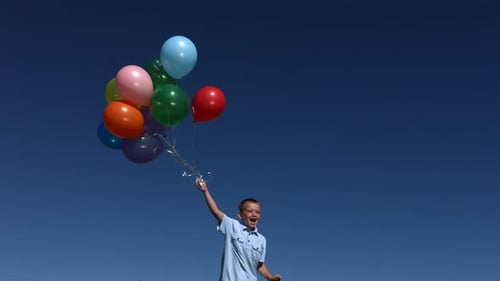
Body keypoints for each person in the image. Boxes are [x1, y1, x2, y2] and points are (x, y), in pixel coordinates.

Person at [196, 178, 282, 281]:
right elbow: (215, 211)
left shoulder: (262, 240)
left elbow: (259, 265)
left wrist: (270, 277)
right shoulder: (232, 225)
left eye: (257, 212)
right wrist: (205, 191)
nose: (254, 214)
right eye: (250, 211)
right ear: (240, 215)